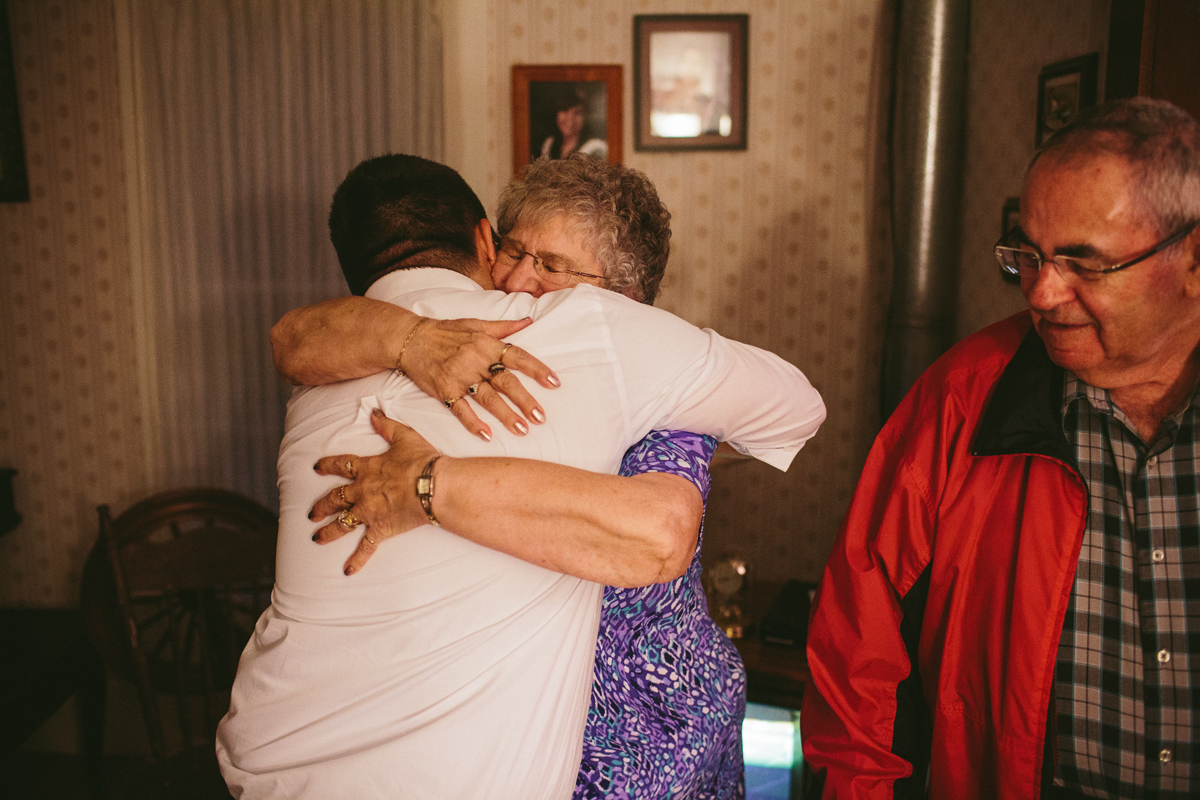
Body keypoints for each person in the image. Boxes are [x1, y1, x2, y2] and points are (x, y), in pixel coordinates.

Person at [217, 154, 825, 799]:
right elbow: (291, 338)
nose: (516, 278)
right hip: (495, 744)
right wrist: (412, 338)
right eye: (512, 250)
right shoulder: (389, 343)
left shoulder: (636, 375)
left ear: (627, 302)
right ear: (486, 242)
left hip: (645, 738)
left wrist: (427, 485)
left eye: (554, 267)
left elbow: (666, 529)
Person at [801, 96, 1200, 799]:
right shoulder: (961, 397)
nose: (1042, 293)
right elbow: (857, 647)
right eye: (1030, 254)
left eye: (1084, 261)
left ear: (1193, 261)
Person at [537, 84, 608, 161]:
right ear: (555, 112)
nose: (570, 120)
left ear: (586, 116)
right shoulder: (549, 145)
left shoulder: (596, 149)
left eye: (578, 112)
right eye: (565, 110)